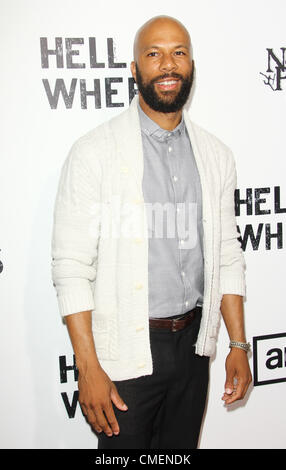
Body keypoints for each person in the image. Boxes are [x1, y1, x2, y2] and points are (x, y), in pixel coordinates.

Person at [51, 15, 252, 449]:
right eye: (154, 54)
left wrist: (237, 343)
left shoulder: (216, 156)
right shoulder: (94, 152)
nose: (168, 65)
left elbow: (226, 252)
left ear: (192, 64)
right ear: (134, 69)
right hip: (124, 354)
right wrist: (88, 368)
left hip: (194, 349)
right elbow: (70, 267)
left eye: (178, 53)